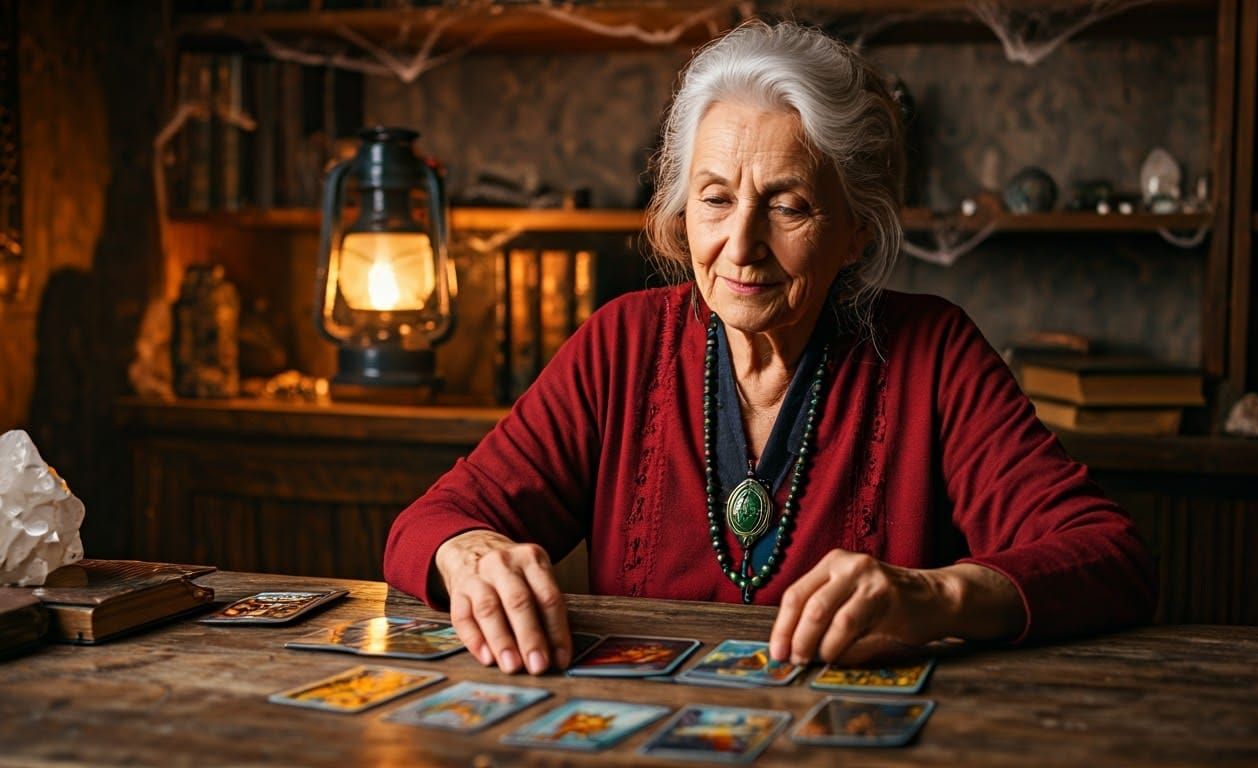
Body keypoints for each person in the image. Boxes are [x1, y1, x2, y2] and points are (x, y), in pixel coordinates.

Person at [384, 20, 1156, 676]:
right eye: (715, 199)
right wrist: (470, 553)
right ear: (683, 211)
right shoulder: (620, 344)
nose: (742, 246)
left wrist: (936, 595)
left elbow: (1109, 555)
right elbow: (432, 520)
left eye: (788, 205)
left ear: (855, 229)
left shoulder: (933, 352)